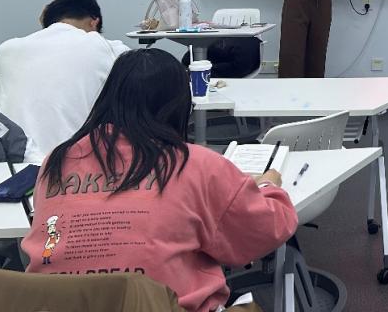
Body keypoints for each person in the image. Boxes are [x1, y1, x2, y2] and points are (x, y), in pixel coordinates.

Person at [22, 49, 298, 312]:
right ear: (179, 105)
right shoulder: (195, 163)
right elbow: (266, 228)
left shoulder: (57, 161)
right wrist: (268, 185)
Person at [0, 0, 128, 164]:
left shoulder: (5, 50)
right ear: (94, 22)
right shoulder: (105, 47)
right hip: (74, 166)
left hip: (14, 164)